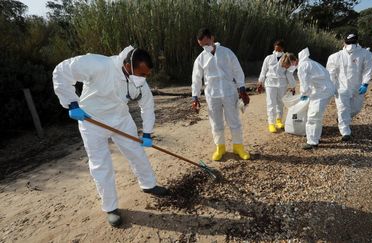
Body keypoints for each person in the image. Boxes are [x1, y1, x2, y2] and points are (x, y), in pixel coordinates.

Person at [52, 46, 168, 227]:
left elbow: (147, 105)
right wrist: (72, 103)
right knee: (101, 164)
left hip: (121, 119)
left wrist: (147, 132)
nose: (144, 78)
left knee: (137, 153)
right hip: (92, 121)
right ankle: (110, 207)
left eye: (147, 75)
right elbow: (61, 71)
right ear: (128, 65)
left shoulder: (139, 82)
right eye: (142, 73)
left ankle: (148, 184)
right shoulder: (99, 64)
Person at [191, 28, 250, 161]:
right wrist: (195, 97)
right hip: (212, 94)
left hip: (229, 91)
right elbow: (196, 78)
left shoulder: (227, 52)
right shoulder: (200, 58)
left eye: (206, 43)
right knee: (216, 122)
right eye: (201, 45)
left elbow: (237, 70)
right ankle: (220, 147)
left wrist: (242, 89)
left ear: (212, 38)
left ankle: (238, 146)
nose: (205, 47)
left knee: (233, 120)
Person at [281, 48, 335, 149]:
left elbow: (305, 86)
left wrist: (304, 95)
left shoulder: (302, 66)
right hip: (324, 89)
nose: (289, 69)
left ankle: (312, 142)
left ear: (292, 62)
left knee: (313, 116)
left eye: (288, 67)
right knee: (316, 115)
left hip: (322, 91)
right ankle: (315, 137)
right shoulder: (308, 62)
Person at [326, 34, 372, 141]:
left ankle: (342, 119)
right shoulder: (335, 56)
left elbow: (368, 69)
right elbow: (331, 73)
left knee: (356, 108)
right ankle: (345, 132)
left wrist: (365, 83)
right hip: (341, 88)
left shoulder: (365, 54)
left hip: (358, 87)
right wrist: (331, 87)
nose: (351, 45)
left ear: (357, 42)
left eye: (353, 43)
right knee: (343, 109)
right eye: (348, 43)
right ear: (344, 43)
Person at [257, 40, 296, 133]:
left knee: (280, 102)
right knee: (271, 103)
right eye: (276, 48)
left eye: (279, 48)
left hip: (282, 83)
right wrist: (260, 82)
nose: (277, 50)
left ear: (282, 48)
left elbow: (289, 73)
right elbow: (263, 71)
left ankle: (279, 120)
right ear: (274, 48)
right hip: (270, 83)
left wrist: (293, 86)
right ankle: (271, 123)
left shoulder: (286, 58)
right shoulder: (268, 58)